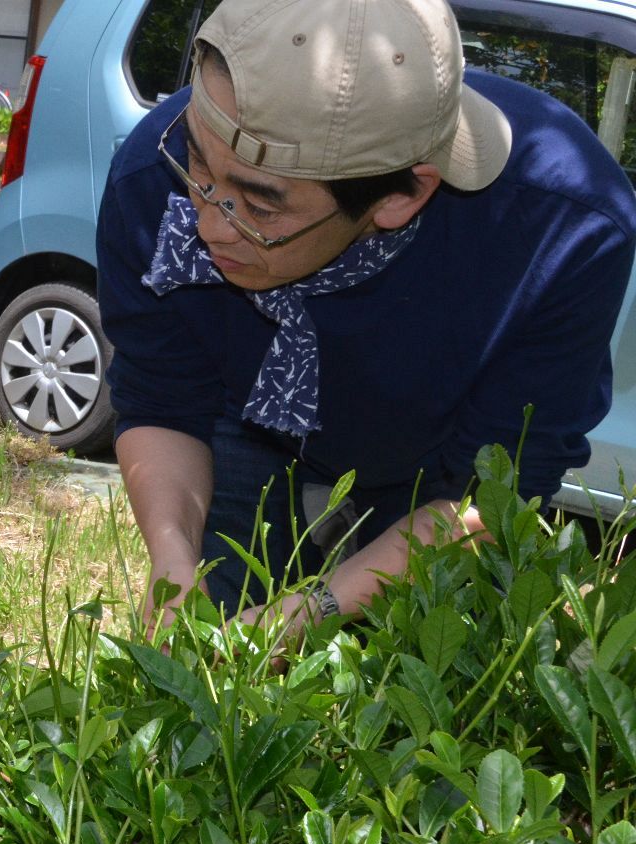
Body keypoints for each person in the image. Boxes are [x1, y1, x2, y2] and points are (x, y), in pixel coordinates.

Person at [98, 0, 636, 639]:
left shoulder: (563, 230)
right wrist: (173, 564)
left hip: (438, 470)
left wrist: (313, 611)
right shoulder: (152, 173)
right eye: (201, 170)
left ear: (402, 196)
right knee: (212, 648)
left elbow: (494, 490)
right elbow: (162, 401)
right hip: (240, 423)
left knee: (401, 675)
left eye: (260, 208)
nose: (208, 224)